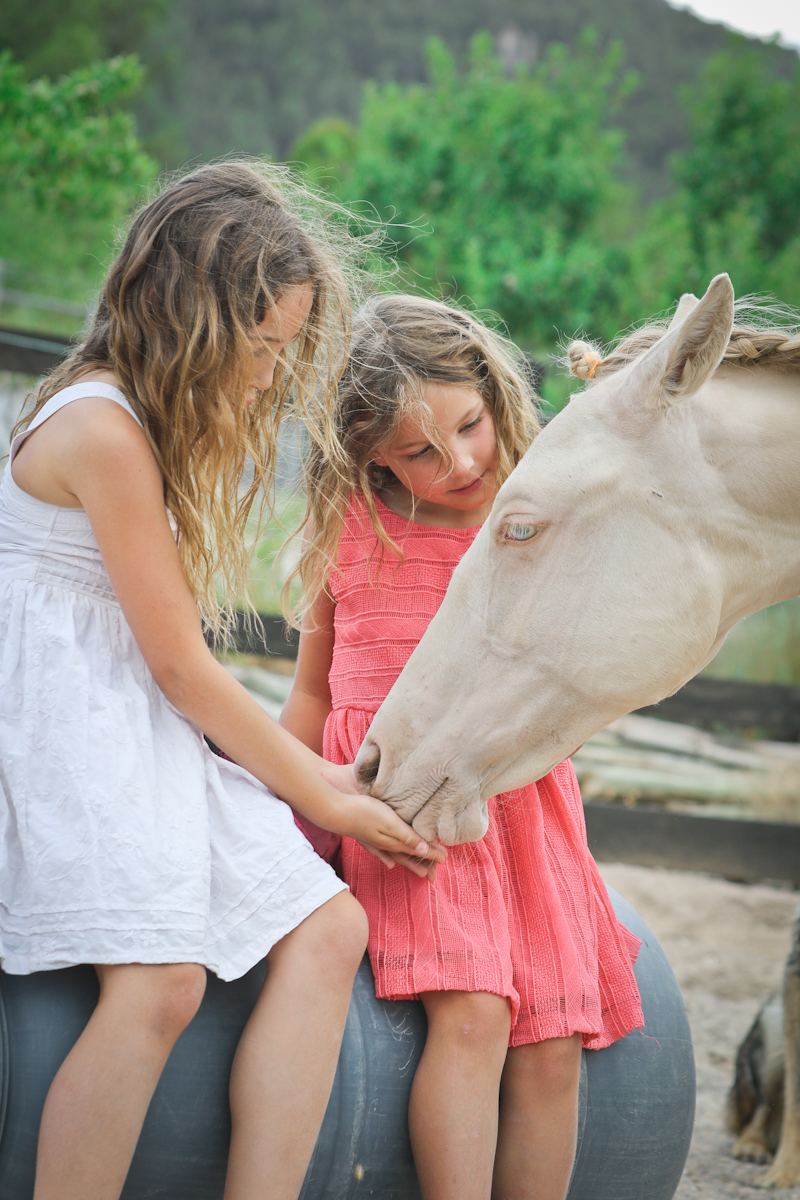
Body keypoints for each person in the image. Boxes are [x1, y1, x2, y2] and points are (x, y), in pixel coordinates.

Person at [0, 163, 442, 1200]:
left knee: (331, 928)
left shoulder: (137, 420)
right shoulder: (101, 429)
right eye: (259, 349)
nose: (267, 375)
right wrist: (322, 789)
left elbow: (166, 681)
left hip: (134, 718)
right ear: (187, 321)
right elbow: (179, 668)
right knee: (159, 985)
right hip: (71, 723)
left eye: (286, 348)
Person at [280, 293, 645, 1200]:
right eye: (417, 451)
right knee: (475, 1014)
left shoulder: (533, 518)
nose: (460, 461)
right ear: (364, 455)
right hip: (400, 810)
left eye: (471, 426)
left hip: (520, 806)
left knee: (554, 1043)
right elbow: (314, 690)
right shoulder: (352, 529)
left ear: (491, 391)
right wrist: (289, 807)